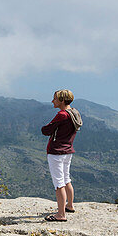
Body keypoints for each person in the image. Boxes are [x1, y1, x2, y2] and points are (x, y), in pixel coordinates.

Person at [41, 89, 77, 221]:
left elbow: (46, 130)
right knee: (67, 179)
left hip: (56, 152)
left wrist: (46, 128)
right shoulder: (74, 113)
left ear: (62, 100)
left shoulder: (62, 115)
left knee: (58, 183)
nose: (52, 101)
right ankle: (70, 205)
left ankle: (61, 214)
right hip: (68, 150)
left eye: (55, 99)